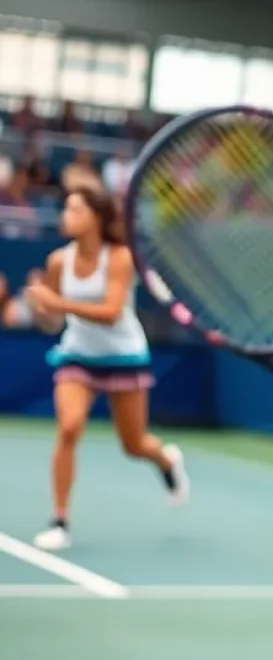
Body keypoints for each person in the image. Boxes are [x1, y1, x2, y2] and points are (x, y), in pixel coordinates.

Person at [15, 186, 190, 551]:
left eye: (75, 209)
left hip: (124, 356)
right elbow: (53, 322)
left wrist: (56, 301)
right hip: (77, 355)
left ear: (96, 217)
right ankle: (59, 521)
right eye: (65, 209)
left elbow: (111, 313)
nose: (66, 216)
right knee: (69, 426)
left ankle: (166, 460)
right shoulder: (58, 262)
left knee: (134, 445)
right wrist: (42, 309)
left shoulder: (120, 257)